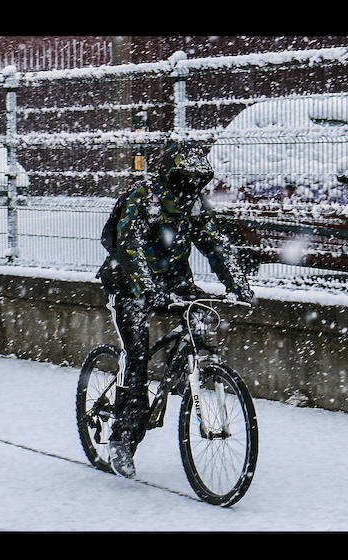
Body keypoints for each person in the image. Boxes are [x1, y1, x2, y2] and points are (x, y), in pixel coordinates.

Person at [96, 140, 255, 478]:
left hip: (173, 280)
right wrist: (147, 288)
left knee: (200, 314)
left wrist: (238, 283)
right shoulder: (145, 199)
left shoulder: (194, 205)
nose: (191, 187)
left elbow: (215, 243)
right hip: (128, 282)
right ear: (171, 175)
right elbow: (130, 248)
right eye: (185, 180)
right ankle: (122, 439)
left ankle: (187, 373)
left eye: (197, 181)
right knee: (137, 356)